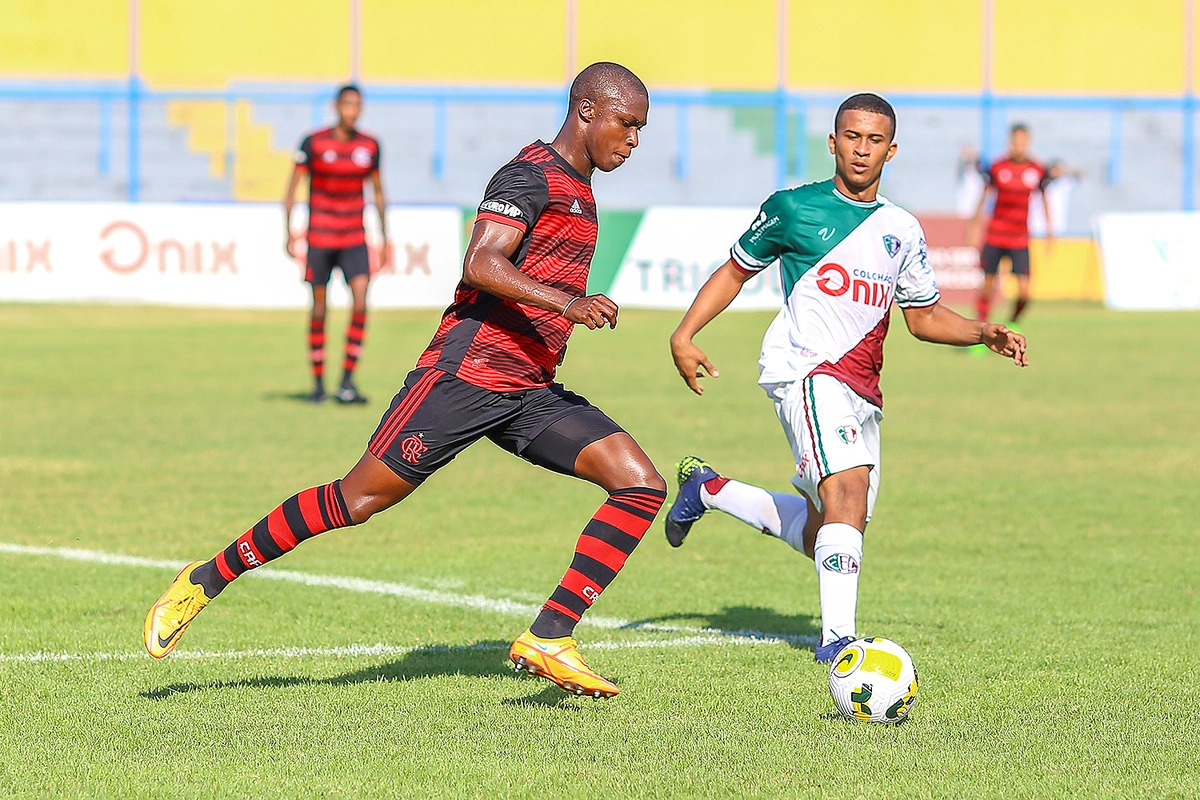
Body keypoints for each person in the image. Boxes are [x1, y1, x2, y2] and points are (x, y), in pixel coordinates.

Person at [145, 63, 662, 700]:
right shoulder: (528, 175)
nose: (634, 140)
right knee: (355, 502)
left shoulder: (582, 188)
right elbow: (480, 263)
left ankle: (551, 635)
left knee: (639, 484)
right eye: (628, 123)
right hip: (463, 376)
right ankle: (208, 577)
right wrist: (568, 303)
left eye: (640, 128)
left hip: (527, 387)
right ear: (588, 112)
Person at [665, 93, 1027, 664]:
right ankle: (839, 645)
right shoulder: (792, 208)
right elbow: (733, 271)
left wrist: (983, 332)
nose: (861, 149)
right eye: (851, 137)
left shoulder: (901, 229)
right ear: (832, 142)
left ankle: (710, 489)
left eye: (874, 139)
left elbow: (924, 317)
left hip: (862, 390)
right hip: (806, 371)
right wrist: (684, 335)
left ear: (892, 149)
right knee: (848, 492)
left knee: (831, 527)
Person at [284, 84, 389, 404]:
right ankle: (317, 384)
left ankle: (346, 382)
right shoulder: (314, 142)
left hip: (354, 238)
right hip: (320, 237)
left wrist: (385, 237)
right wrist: (289, 231)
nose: (352, 111)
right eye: (347, 105)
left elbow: (378, 192)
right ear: (337, 107)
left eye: (357, 105)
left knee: (360, 302)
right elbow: (292, 189)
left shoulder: (370, 145)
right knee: (319, 309)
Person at [969, 123, 1052, 326]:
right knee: (987, 288)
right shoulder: (998, 168)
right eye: (1016, 141)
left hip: (1019, 238)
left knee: (1025, 292)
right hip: (995, 236)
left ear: (1028, 143)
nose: (1019, 146)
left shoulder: (1037, 169)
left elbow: (1044, 199)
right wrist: (973, 227)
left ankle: (1012, 322)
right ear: (1010, 142)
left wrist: (1050, 231)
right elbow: (984, 197)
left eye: (1023, 142)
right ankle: (981, 332)